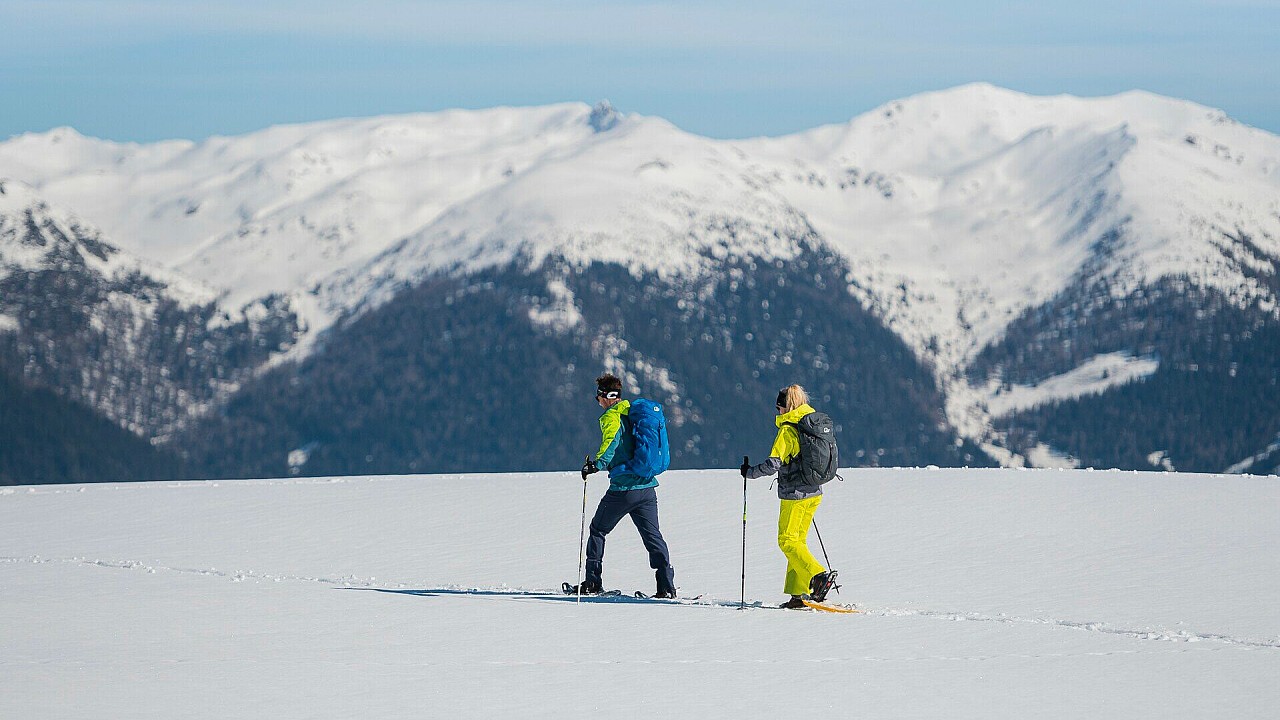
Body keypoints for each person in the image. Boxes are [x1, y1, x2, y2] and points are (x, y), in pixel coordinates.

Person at [568, 373, 677, 598]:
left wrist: (595, 465)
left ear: (607, 397)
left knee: (598, 530)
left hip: (623, 489)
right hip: (647, 488)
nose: (597, 401)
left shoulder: (612, 417)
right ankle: (666, 586)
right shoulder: (631, 411)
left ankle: (592, 583)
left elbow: (611, 442)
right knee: (652, 536)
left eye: (598, 396)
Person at [741, 384, 837, 609]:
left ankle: (818, 577)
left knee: (787, 541)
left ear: (785, 407)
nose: (777, 412)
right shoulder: (811, 424)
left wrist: (749, 473)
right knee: (797, 542)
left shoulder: (788, 430)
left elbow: (773, 464)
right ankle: (798, 594)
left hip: (795, 494)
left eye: (778, 407)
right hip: (814, 491)